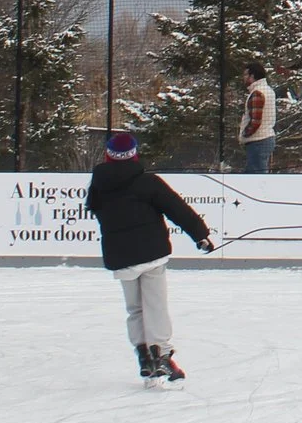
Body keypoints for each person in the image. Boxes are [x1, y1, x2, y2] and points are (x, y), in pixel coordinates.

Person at [87, 131, 214, 384]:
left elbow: (95, 209)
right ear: (134, 155)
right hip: (151, 254)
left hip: (121, 258)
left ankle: (144, 355)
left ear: (108, 156)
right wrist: (201, 235)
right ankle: (162, 355)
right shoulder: (148, 182)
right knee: (155, 305)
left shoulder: (98, 185)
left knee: (135, 309)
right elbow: (178, 209)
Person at [239, 62, 276, 173]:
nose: (244, 77)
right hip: (266, 138)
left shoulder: (257, 93)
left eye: (246, 74)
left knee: (255, 176)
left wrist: (245, 134)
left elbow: (255, 121)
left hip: (258, 140)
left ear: (252, 76)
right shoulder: (268, 90)